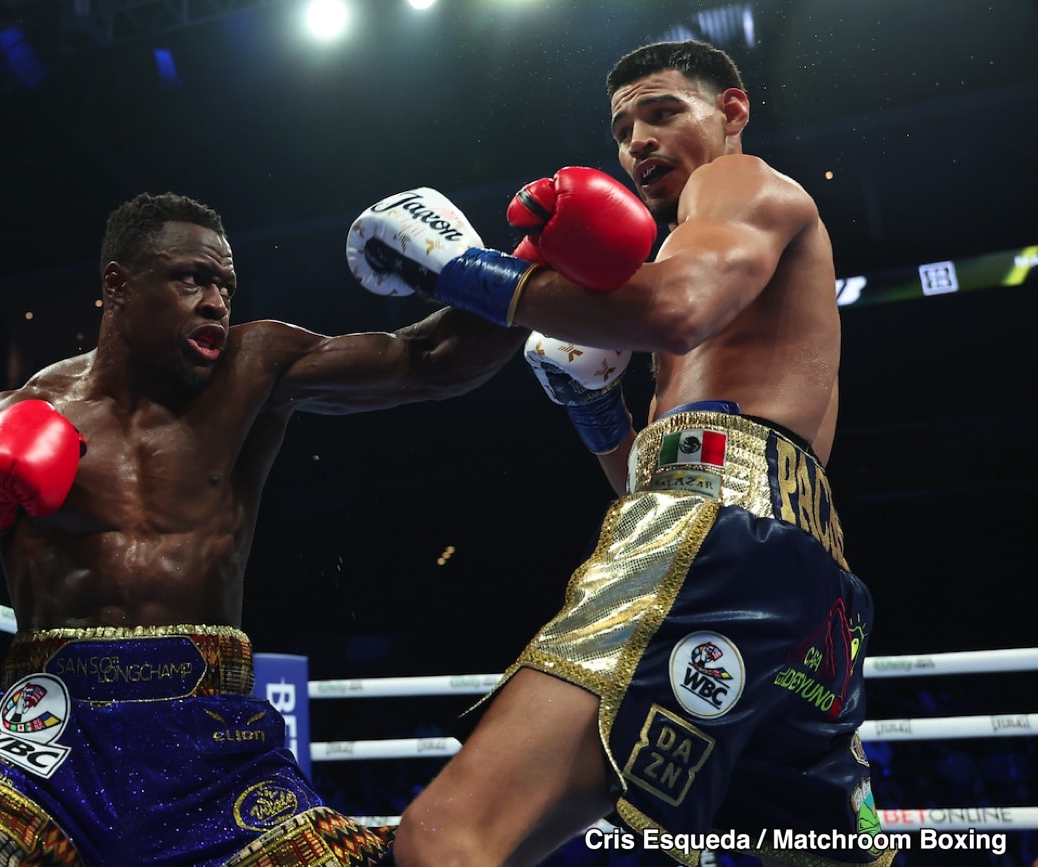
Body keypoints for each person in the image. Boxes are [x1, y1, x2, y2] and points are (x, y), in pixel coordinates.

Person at [0, 190, 529, 867]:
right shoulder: (19, 412)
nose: (217, 301)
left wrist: (532, 262)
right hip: (45, 733)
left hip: (215, 744)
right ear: (118, 285)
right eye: (192, 277)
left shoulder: (255, 368)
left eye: (226, 283)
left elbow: (434, 360)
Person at [345, 40, 893, 867]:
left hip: (718, 539)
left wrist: (458, 270)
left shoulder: (739, 184)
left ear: (733, 110)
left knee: (445, 837)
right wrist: (597, 410)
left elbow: (674, 313)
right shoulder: (699, 252)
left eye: (664, 111)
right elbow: (661, 479)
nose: (638, 138)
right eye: (623, 125)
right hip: (806, 586)